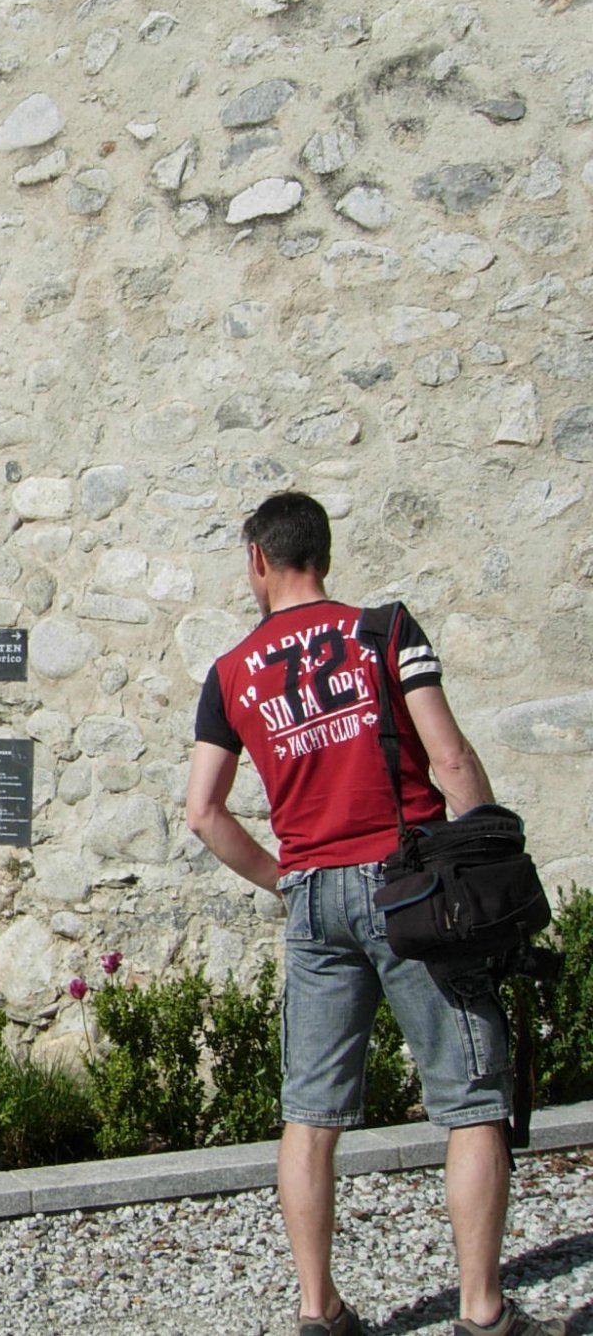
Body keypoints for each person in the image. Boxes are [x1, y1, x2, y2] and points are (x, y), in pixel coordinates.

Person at [183, 491, 563, 1336]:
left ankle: (317, 1312)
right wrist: (490, 869)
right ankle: (481, 1312)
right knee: (469, 1097)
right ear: (322, 553)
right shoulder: (385, 632)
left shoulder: (231, 672)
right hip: (414, 886)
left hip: (314, 893)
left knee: (311, 1112)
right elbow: (451, 757)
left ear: (257, 560)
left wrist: (286, 880)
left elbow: (205, 812)